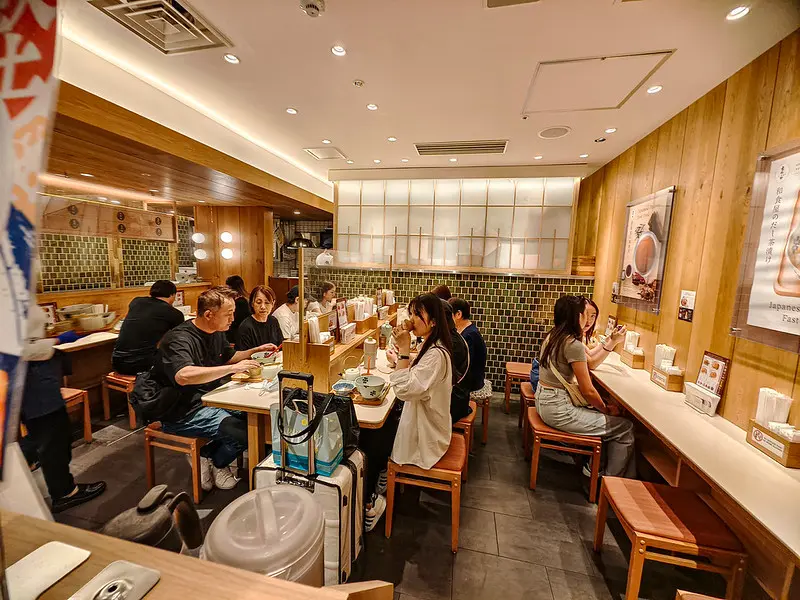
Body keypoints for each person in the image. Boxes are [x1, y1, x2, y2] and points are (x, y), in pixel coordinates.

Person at [133, 287, 277, 491]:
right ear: (209, 315)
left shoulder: (216, 332)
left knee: (259, 421)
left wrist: (255, 350)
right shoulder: (179, 338)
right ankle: (215, 460)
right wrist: (232, 368)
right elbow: (183, 376)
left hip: (209, 398)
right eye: (228, 314)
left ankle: (210, 456)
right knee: (245, 433)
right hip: (180, 410)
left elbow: (230, 356)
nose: (233, 319)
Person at [363, 293, 454, 531]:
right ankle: (380, 478)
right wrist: (405, 355)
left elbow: (404, 390)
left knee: (371, 439)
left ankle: (369, 503)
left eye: (417, 314)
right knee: (380, 430)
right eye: (411, 313)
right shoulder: (432, 345)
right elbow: (414, 378)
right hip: (425, 418)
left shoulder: (436, 355)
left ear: (433, 321)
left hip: (427, 433)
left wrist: (404, 351)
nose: (411, 319)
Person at [536, 295, 635, 478]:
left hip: (544, 401)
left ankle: (594, 467)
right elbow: (588, 391)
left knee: (604, 415)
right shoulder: (572, 344)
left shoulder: (554, 335)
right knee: (624, 427)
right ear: (577, 316)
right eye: (585, 314)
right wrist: (606, 409)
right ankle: (607, 482)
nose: (588, 319)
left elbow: (588, 364)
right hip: (558, 410)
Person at [21, 307, 106, 513]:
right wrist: (57, 341)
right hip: (33, 382)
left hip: (34, 378)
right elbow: (19, 349)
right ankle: (65, 493)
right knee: (53, 437)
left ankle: (28, 463)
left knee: (44, 434)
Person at [112, 280, 184, 375]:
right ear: (172, 295)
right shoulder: (174, 314)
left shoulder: (136, 302)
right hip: (141, 365)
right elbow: (179, 340)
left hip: (117, 362)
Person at [432, 285, 470, 422]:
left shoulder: (450, 343)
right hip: (456, 396)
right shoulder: (451, 337)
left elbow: (426, 380)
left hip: (452, 403)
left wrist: (401, 357)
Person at [449, 297, 487, 394]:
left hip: (471, 383)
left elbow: (464, 366)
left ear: (458, 314)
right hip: (466, 378)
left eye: (448, 315)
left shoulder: (469, 335)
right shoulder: (465, 330)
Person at [581, 298, 626, 370]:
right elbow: (591, 364)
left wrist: (608, 339)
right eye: (585, 315)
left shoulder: (574, 336)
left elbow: (589, 353)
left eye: (592, 316)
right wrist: (613, 342)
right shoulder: (570, 339)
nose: (589, 320)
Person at [236, 285, 284, 351]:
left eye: (267, 302)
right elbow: (242, 353)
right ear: (252, 303)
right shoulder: (246, 326)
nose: (263, 307)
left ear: (273, 303)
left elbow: (281, 347)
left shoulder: (273, 321)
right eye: (258, 302)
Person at [225, 275, 252, 344]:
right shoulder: (246, 298)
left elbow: (234, 322)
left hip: (238, 334)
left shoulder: (240, 302)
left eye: (227, 287)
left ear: (231, 287)